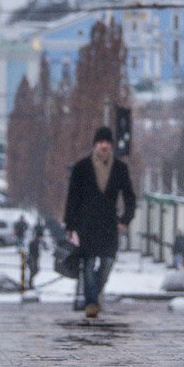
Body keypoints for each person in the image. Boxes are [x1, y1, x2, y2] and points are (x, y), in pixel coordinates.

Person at [64, 126, 137, 318]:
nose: (104, 146)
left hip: (109, 225)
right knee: (87, 263)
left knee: (107, 262)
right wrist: (70, 225)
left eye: (107, 142)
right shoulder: (82, 167)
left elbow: (130, 196)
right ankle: (91, 302)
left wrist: (125, 219)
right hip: (86, 224)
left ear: (111, 145)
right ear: (95, 145)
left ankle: (93, 293)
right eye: (100, 142)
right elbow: (73, 197)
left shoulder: (120, 168)